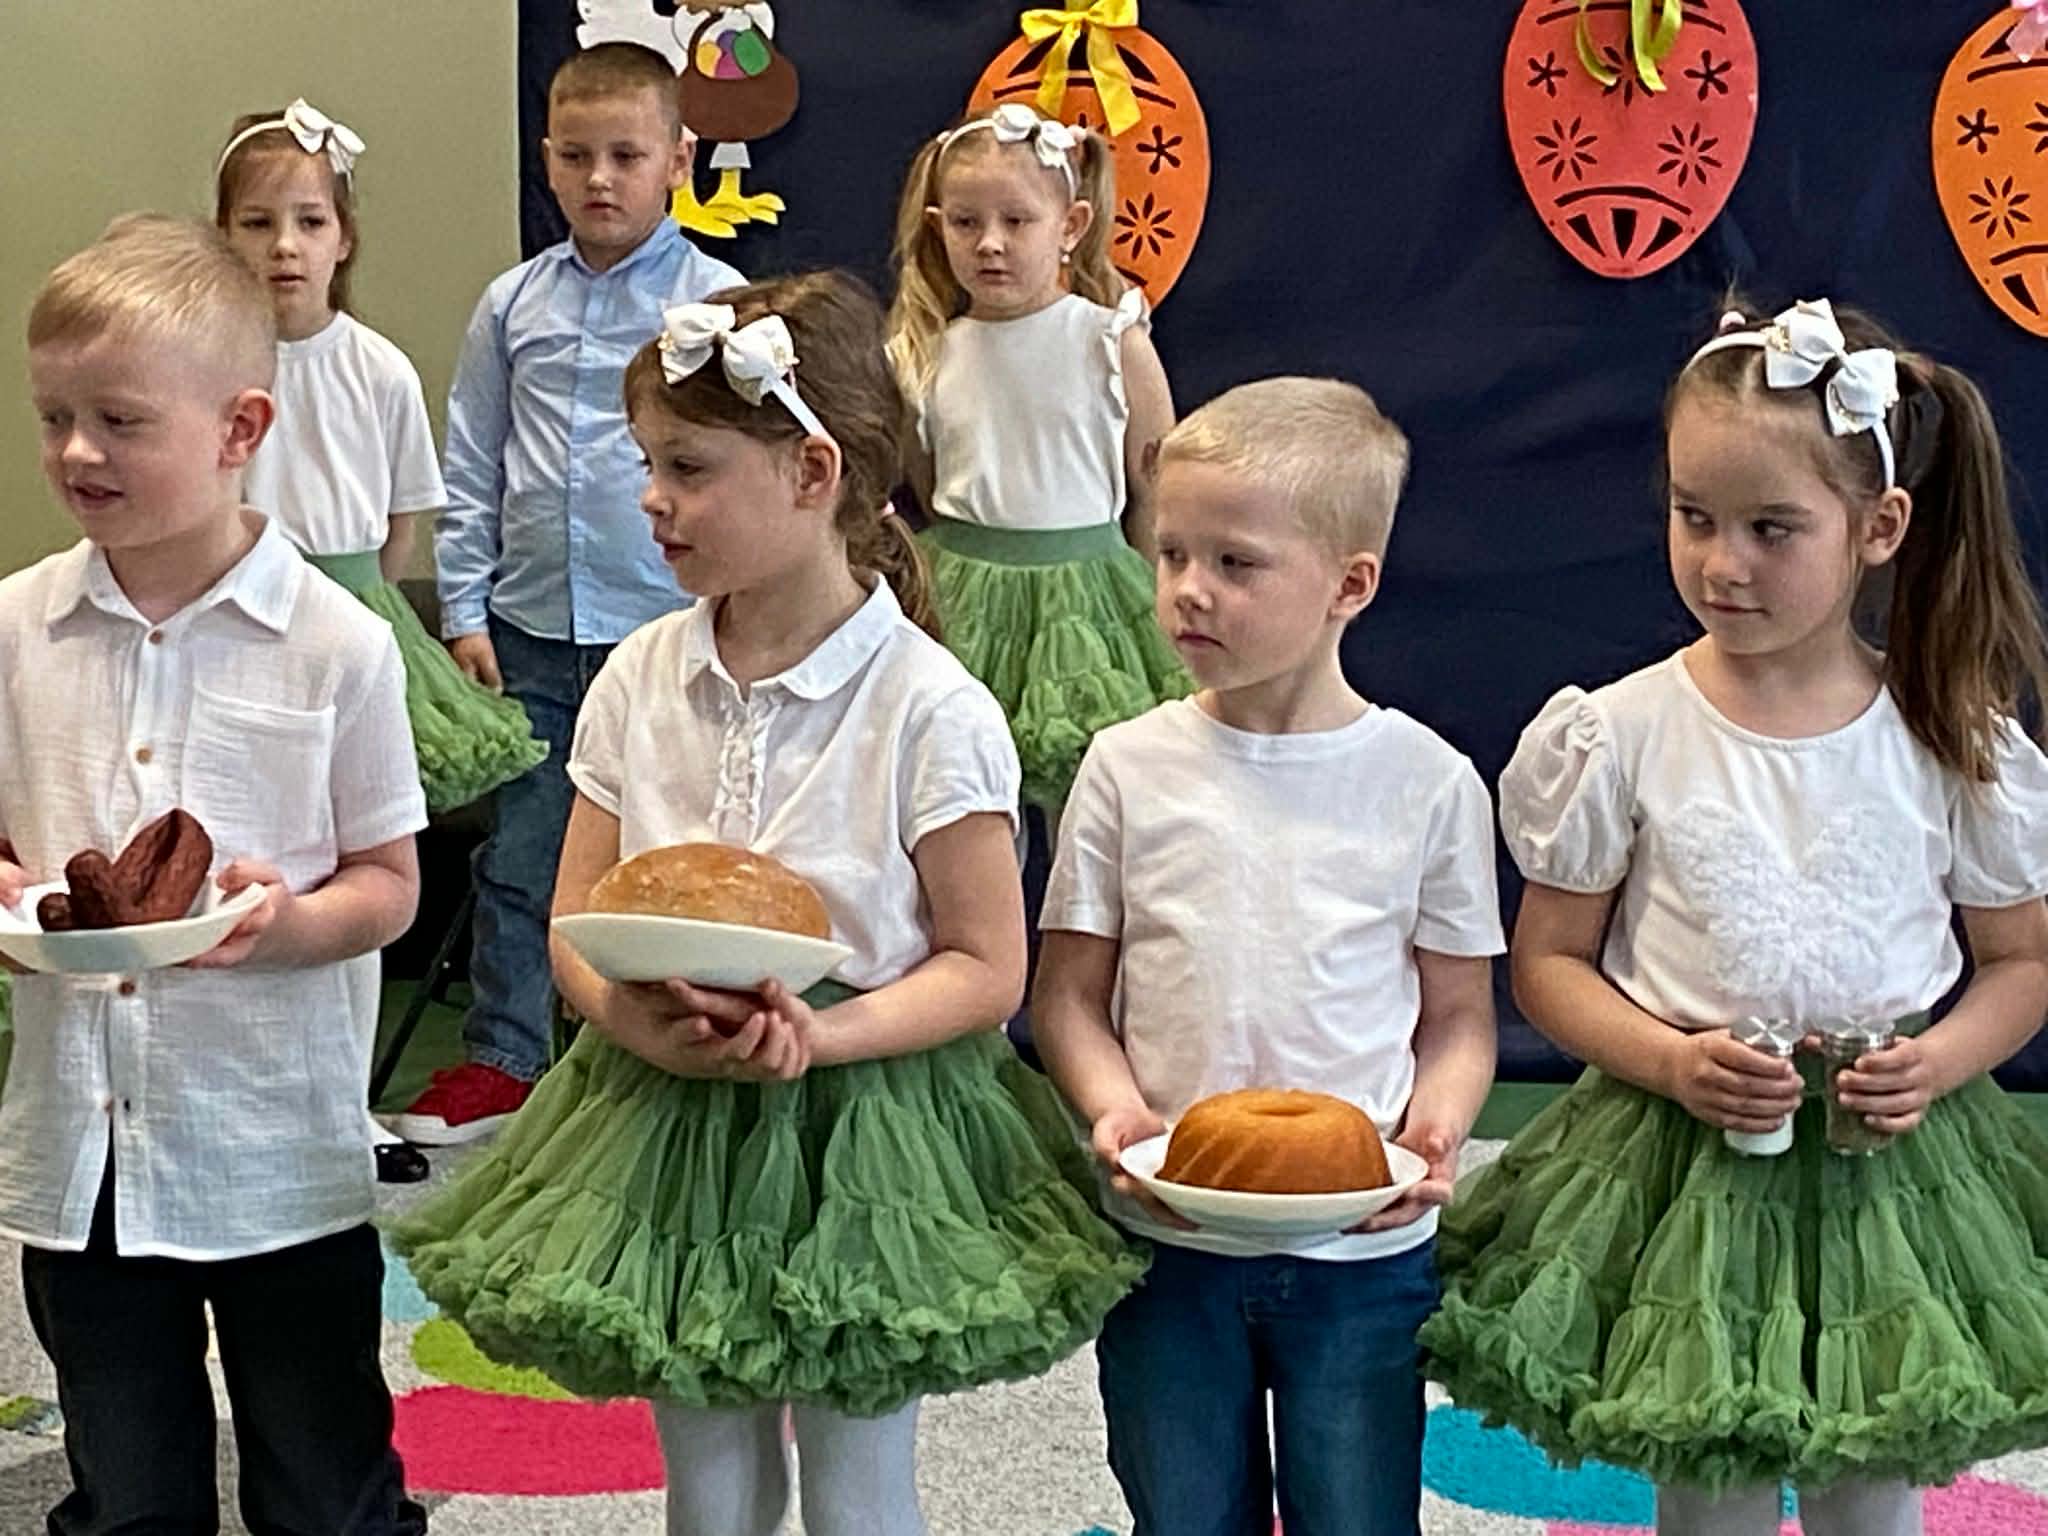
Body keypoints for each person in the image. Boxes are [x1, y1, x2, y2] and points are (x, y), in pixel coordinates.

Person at [393, 272, 1144, 1536]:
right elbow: (575, 917)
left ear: (812, 472)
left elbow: (985, 968)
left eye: (686, 468)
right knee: (709, 1482)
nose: (650, 498)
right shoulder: (641, 675)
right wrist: (621, 1017)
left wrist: (824, 1035)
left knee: (856, 1491)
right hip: (663, 1106)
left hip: (865, 1125)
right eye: (647, 463)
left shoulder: (930, 706)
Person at [1423, 298, 2048, 1536]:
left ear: (1877, 528)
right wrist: (1670, 1061)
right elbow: (1547, 964)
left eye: (1771, 529)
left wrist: (1937, 1059)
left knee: (1872, 1481)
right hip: (1682, 1158)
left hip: (1894, 1168)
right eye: (1691, 516)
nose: (1721, 563)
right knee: (1703, 1484)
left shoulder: (1948, 740)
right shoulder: (1618, 732)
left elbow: (2019, 963)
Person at [2, 214, 428, 1535]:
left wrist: (289, 924)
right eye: (55, 417)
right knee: (126, 1484)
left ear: (240, 428)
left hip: (274, 1149)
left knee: (324, 1482)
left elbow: (390, 884)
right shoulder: (16, 626)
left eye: (120, 421)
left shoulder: (337, 645)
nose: (78, 452)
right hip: (84, 1150)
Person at [1034, 377, 1505, 1536]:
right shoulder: (1124, 766)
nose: (1187, 589)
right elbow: (1069, 999)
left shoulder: (1428, 781)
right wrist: (1114, 1112)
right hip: (1168, 1236)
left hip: (1362, 1248)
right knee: (1183, 1513)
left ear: (1349, 584)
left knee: (1357, 1516)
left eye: (1234, 563)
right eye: (1170, 554)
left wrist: (1435, 1128)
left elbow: (1457, 1017)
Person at [394, 42, 744, 1145]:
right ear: (546, 160)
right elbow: (471, 461)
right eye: (577, 156)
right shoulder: (513, 305)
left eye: (627, 156)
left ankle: (640, 1061)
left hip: (670, 633)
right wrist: (463, 611)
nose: (600, 179)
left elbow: (740, 473)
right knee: (525, 856)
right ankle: (504, 1054)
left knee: (666, 860)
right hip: (534, 634)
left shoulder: (714, 305)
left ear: (678, 161)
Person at [886, 102, 1189, 823]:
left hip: (1091, 605)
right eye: (966, 223)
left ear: (1071, 226)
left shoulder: (1110, 342)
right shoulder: (922, 353)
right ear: (938, 226)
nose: (990, 244)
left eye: (1017, 221)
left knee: (1087, 804)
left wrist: (1160, 607)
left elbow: (1160, 493)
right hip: (963, 601)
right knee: (960, 793)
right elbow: (927, 483)